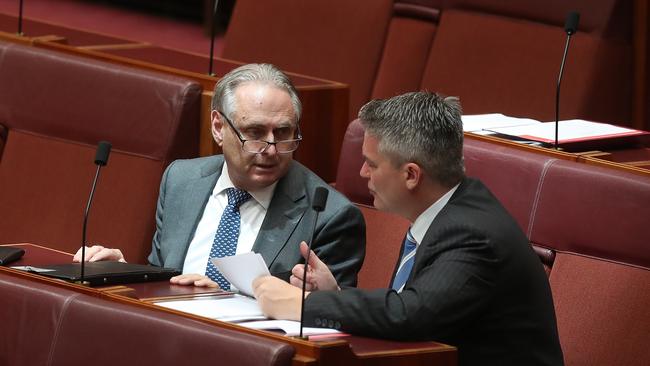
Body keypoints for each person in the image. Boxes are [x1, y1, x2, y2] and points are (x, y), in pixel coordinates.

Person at [253, 91, 564, 366]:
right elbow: (414, 308)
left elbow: (410, 315)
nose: (362, 173)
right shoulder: (442, 211)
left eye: (371, 164)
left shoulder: (471, 234)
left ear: (412, 175)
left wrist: (304, 305)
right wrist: (336, 295)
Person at [74, 63, 365, 289]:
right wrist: (125, 274)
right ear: (218, 127)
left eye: (284, 132)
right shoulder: (181, 180)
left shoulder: (329, 217)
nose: (271, 149)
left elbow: (327, 324)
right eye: (254, 133)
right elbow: (162, 276)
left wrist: (221, 300)